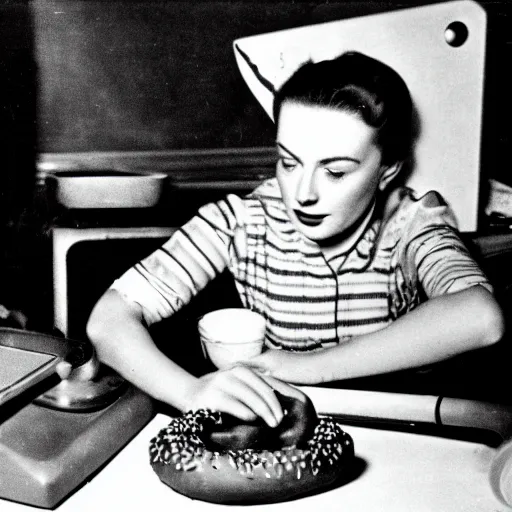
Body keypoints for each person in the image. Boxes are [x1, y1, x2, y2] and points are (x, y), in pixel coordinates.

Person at [87, 51, 504, 429]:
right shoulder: (241, 220)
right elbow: (108, 320)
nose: (302, 193)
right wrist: (190, 393)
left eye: (335, 171)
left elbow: (481, 317)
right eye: (289, 162)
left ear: (389, 169)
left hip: (400, 427)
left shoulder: (412, 221)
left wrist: (304, 366)